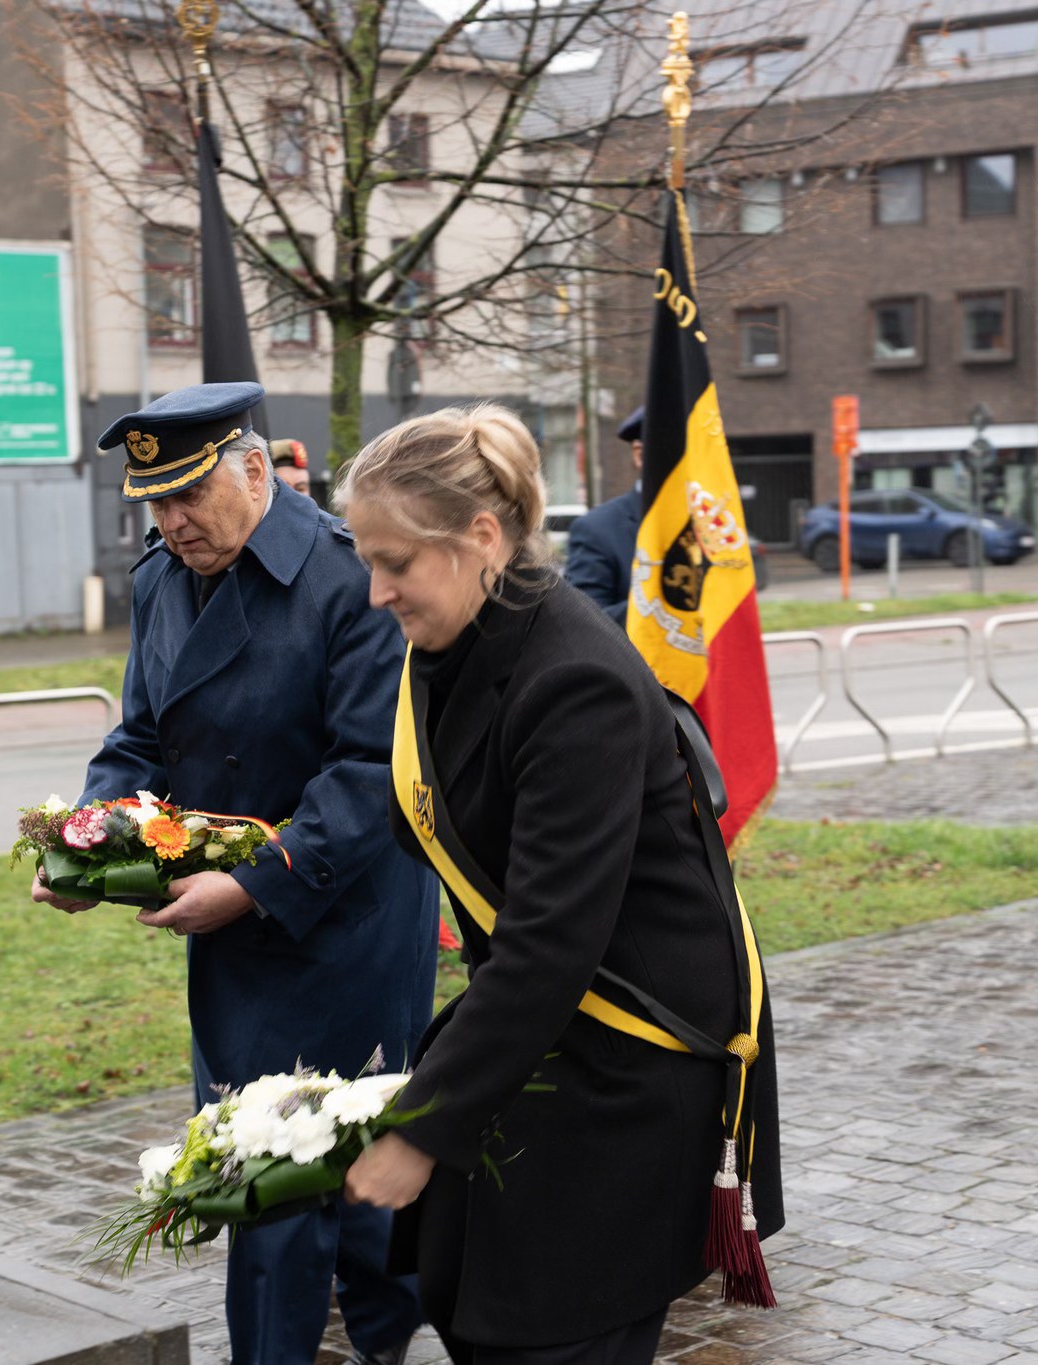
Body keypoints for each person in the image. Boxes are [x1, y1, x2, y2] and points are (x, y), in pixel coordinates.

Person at [337, 404, 781, 1364]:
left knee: (544, 1335)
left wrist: (420, 1132)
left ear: (481, 537)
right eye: (365, 560)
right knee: (473, 1307)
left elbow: (548, 938)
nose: (375, 593)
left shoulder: (572, 679)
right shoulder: (455, 644)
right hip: (548, 1040)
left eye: (395, 562)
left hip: (632, 1054)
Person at [32, 382, 437, 1365]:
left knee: (286, 1171)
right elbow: (140, 737)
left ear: (253, 471)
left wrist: (255, 884)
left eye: (187, 498)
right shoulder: (159, 581)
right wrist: (88, 843)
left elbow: (363, 774)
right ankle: (399, 1330)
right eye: (154, 505)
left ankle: (343, 1338)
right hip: (232, 929)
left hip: (339, 918)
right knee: (309, 1164)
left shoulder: (350, 579)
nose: (171, 525)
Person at [562, 407, 644, 622]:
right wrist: (662, 601)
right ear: (640, 455)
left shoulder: (715, 525)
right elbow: (583, 623)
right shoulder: (597, 530)